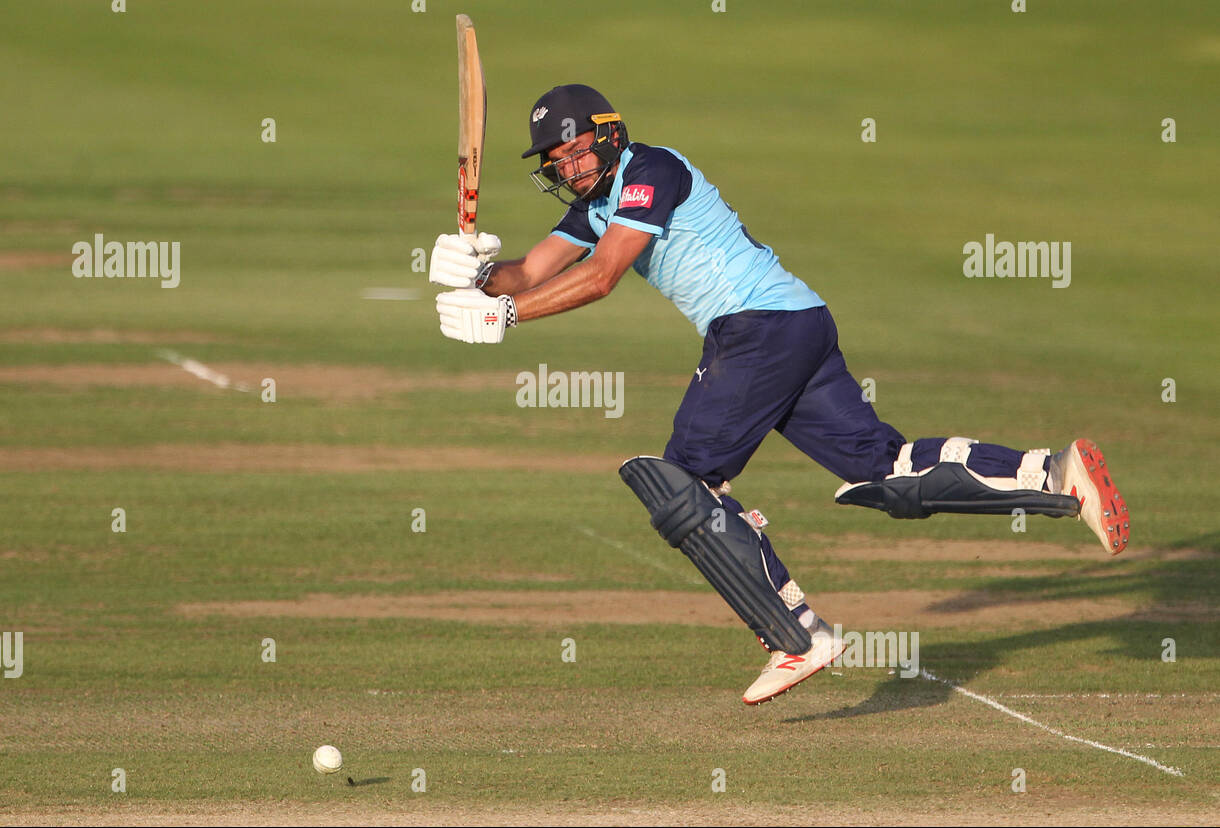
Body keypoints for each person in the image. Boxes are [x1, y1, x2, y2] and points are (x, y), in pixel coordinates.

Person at [429, 84, 1128, 705]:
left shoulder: (652, 170)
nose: (571, 168)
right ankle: (1057, 474)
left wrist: (508, 315)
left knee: (683, 484)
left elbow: (604, 276)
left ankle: (798, 636)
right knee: (884, 472)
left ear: (609, 135)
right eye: (559, 162)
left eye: (579, 151)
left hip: (757, 329)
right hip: (793, 325)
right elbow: (532, 270)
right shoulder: (596, 204)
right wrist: (479, 274)